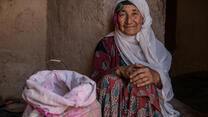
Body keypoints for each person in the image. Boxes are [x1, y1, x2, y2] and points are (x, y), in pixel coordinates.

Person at [91, 0, 179, 116]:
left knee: (142, 81)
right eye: (123, 14)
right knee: (111, 80)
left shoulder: (153, 47)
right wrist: (119, 71)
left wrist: (156, 76)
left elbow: (164, 81)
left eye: (134, 14)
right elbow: (94, 80)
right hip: (115, 107)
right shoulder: (106, 44)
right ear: (116, 19)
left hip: (144, 105)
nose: (129, 21)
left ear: (143, 17)